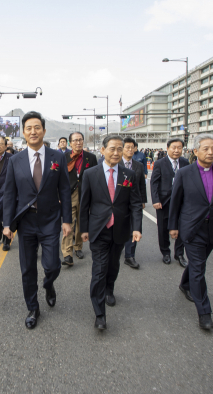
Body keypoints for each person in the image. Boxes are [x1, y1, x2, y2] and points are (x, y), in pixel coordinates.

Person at [3, 111, 72, 330]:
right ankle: (33, 308)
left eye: (37, 127)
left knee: (52, 265)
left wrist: (67, 220)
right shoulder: (15, 160)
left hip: (51, 219)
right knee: (27, 268)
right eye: (29, 128)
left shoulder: (57, 157)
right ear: (23, 132)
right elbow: (9, 194)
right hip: (26, 222)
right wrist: (7, 224)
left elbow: (65, 190)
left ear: (44, 130)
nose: (33, 132)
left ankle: (49, 284)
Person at [168, 133, 213, 330]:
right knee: (199, 268)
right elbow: (175, 202)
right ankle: (204, 312)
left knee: (197, 264)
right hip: (192, 228)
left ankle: (185, 284)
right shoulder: (185, 173)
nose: (211, 152)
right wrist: (173, 226)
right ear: (195, 151)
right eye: (206, 149)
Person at [80, 135, 143, 330]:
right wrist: (83, 229)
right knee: (99, 270)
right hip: (99, 229)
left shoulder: (128, 175)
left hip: (120, 230)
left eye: (120, 149)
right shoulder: (91, 174)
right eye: (112, 149)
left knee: (113, 266)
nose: (116, 153)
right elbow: (84, 204)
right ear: (103, 150)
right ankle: (99, 314)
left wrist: (136, 228)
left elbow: (135, 205)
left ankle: (109, 289)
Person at [150, 138, 189, 267]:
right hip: (163, 201)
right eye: (174, 147)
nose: (176, 150)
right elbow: (154, 182)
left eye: (179, 148)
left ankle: (179, 253)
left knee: (182, 227)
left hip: (182, 202)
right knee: (163, 228)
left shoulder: (185, 162)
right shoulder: (160, 163)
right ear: (168, 148)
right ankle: (165, 252)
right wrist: (155, 200)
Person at [62, 131, 97, 266]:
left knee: (81, 222)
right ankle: (67, 253)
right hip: (69, 195)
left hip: (85, 194)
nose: (78, 142)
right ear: (70, 143)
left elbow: (95, 178)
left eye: (80, 140)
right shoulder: (63, 158)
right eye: (75, 140)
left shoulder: (91, 158)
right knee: (68, 223)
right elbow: (58, 179)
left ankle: (78, 246)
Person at [119, 137, 147, 269]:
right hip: (118, 202)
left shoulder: (139, 165)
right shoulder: (115, 163)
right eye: (127, 147)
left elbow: (142, 184)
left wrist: (142, 200)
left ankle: (130, 256)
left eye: (132, 147)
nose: (130, 149)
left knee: (134, 227)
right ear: (122, 148)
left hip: (134, 202)